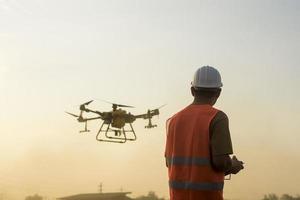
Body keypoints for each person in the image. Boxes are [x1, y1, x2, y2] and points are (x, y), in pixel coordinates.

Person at [165, 66, 244, 200]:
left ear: (192, 90)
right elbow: (220, 162)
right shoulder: (218, 118)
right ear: (218, 92)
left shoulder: (173, 121)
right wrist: (233, 165)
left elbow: (171, 164)